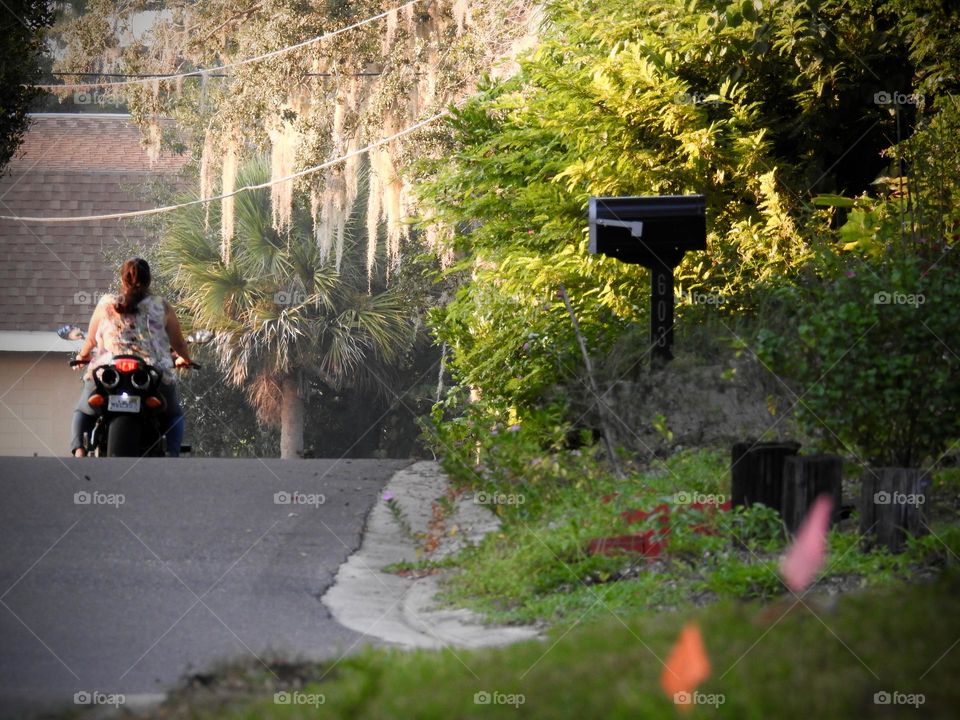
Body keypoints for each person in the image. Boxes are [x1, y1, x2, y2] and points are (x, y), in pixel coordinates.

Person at [70, 258, 193, 457]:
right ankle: (172, 453)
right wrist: (185, 360)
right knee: (174, 414)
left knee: (83, 411)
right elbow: (179, 344)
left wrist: (82, 356)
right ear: (149, 280)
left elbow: (91, 340)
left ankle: (79, 451)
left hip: (108, 371)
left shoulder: (106, 304)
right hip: (152, 372)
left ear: (122, 279)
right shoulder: (161, 306)